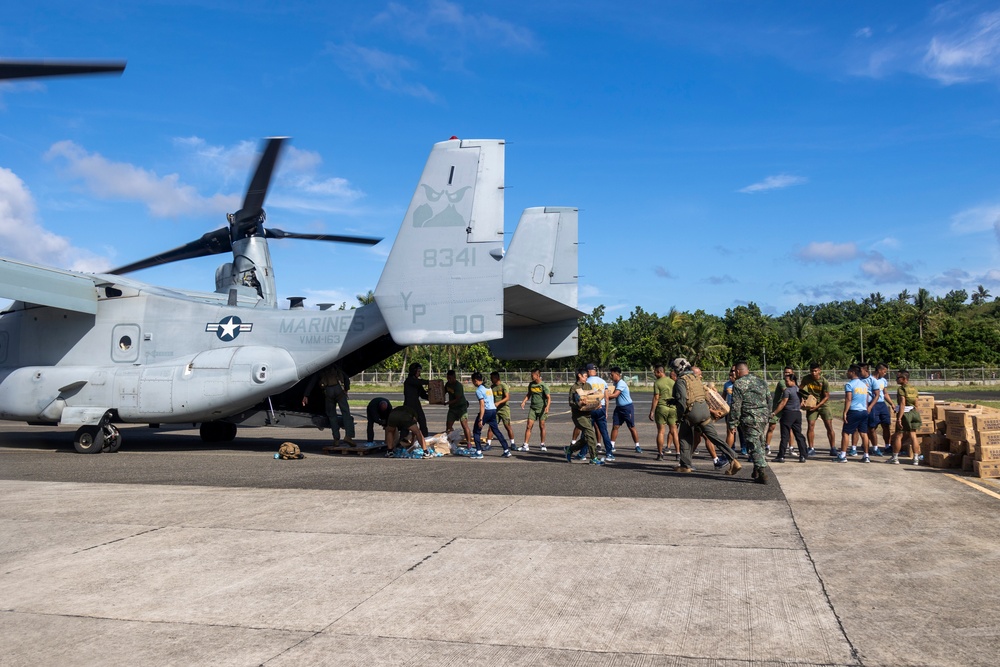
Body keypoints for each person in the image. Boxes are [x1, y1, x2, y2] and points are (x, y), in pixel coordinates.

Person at [670, 357, 742, 476]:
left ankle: (685, 465)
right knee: (714, 438)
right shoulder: (695, 378)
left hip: (692, 413)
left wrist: (679, 417)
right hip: (704, 411)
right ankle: (734, 460)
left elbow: (682, 400)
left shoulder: (681, 380)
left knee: (684, 437)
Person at [727, 361, 771, 483]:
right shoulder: (761, 381)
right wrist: (768, 414)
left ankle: (762, 472)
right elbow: (769, 399)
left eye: (735, 371)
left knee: (754, 444)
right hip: (762, 417)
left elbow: (736, 406)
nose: (734, 374)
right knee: (760, 442)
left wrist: (732, 422)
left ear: (738, 371)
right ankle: (756, 469)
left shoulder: (739, 384)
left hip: (749, 418)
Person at [302, 363, 355, 446]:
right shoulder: (336, 367)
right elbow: (346, 378)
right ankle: (348, 436)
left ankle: (336, 439)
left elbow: (312, 382)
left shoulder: (320, 369)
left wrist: (306, 395)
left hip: (328, 392)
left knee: (332, 416)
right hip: (338, 390)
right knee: (346, 414)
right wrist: (346, 389)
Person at [567, 367, 602, 465]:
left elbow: (591, 398)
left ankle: (570, 449)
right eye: (585, 376)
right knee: (591, 434)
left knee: (587, 438)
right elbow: (571, 402)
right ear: (579, 375)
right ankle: (593, 458)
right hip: (579, 416)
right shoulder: (574, 388)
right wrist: (579, 404)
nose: (587, 378)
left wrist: (596, 404)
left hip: (587, 415)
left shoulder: (588, 385)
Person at [471, 372, 511, 458]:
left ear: (475, 380)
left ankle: (478, 452)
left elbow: (482, 404)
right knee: (496, 431)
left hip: (486, 411)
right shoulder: (488, 387)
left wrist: (481, 418)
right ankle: (506, 450)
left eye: (472, 381)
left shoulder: (479, 390)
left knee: (476, 431)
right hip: (493, 410)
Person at [800, 363, 836, 457]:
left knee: (829, 426)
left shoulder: (824, 381)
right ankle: (811, 448)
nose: (814, 373)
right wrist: (802, 400)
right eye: (812, 371)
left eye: (815, 371)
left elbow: (826, 396)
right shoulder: (806, 378)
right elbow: (799, 389)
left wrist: (817, 406)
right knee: (810, 425)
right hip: (812, 404)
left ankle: (833, 448)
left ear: (819, 371)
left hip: (823, 404)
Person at [771, 373, 808, 463]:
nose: (785, 383)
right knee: (798, 435)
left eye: (787, 381)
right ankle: (803, 455)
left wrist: (775, 412)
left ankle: (781, 456)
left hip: (788, 414)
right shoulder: (799, 390)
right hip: (797, 414)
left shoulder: (787, 391)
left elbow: (783, 403)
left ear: (793, 381)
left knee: (785, 436)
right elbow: (802, 402)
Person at [838, 365, 871, 463]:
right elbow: (866, 399)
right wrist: (865, 409)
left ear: (852, 372)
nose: (847, 373)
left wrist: (845, 412)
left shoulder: (849, 385)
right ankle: (866, 456)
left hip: (853, 411)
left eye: (848, 371)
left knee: (846, 433)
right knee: (864, 433)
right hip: (863, 411)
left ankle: (843, 455)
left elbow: (848, 399)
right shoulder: (863, 385)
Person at [607, 366, 641, 456]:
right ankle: (612, 445)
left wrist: (604, 396)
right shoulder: (615, 384)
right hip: (619, 408)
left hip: (627, 408)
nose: (611, 376)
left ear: (617, 374)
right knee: (615, 426)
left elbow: (615, 395)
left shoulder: (621, 383)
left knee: (631, 426)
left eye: (612, 374)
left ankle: (637, 445)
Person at [890, 369, 921, 465]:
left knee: (899, 435)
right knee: (913, 435)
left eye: (898, 377)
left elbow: (902, 403)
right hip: (913, 412)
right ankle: (916, 458)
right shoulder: (913, 389)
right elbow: (916, 403)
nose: (896, 379)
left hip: (905, 413)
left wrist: (899, 418)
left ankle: (895, 458)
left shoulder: (901, 389)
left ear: (904, 378)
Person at [649, 364, 679, 460]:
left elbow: (656, 397)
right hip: (673, 408)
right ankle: (678, 453)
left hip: (662, 407)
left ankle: (660, 453)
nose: (654, 374)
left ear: (659, 372)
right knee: (674, 431)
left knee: (661, 431)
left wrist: (652, 411)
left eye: (655, 372)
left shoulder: (657, 383)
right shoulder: (673, 382)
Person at [765, 366, 795, 456]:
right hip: (778, 407)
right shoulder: (782, 382)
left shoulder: (793, 382)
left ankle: (791, 448)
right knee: (772, 427)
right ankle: (767, 446)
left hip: (787, 407)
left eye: (789, 373)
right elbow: (786, 390)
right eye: (785, 372)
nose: (787, 374)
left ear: (792, 373)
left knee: (789, 428)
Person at [585, 363, 614, 456]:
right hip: (602, 407)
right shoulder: (602, 381)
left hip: (592, 408)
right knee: (604, 431)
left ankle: (583, 452)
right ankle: (609, 452)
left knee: (588, 431)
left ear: (588, 371)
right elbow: (606, 397)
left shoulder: (587, 381)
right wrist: (606, 411)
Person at [520, 368, 551, 451]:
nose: (531, 376)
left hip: (542, 409)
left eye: (532, 375)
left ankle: (542, 444)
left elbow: (548, 397)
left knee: (542, 426)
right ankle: (525, 444)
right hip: (533, 408)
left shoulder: (543, 385)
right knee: (529, 426)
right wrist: (524, 401)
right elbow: (529, 394)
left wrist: (547, 406)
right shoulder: (531, 385)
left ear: (537, 375)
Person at [867, 363, 894, 456]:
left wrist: (892, 403)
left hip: (882, 404)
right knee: (872, 427)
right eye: (884, 371)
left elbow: (885, 393)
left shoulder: (883, 380)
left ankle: (887, 446)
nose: (885, 373)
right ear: (879, 370)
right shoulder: (869, 380)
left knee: (886, 425)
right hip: (873, 404)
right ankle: (874, 447)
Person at [444, 369, 474, 448]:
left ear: (454, 377)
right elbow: (443, 392)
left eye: (450, 378)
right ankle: (452, 441)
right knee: (448, 426)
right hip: (452, 408)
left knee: (464, 425)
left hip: (461, 407)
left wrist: (447, 402)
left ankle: (469, 443)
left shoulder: (458, 386)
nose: (449, 380)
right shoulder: (447, 384)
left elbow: (457, 399)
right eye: (448, 378)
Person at [488, 371, 517, 449]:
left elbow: (507, 397)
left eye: (492, 378)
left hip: (504, 409)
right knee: (491, 427)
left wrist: (499, 402)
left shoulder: (503, 386)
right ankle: (488, 444)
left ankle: (513, 443)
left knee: (507, 426)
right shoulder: (492, 387)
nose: (491, 379)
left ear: (497, 378)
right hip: (495, 410)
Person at [403, 362, 430, 437]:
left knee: (423, 423)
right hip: (409, 406)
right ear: (413, 371)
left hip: (416, 405)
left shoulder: (417, 382)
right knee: (407, 425)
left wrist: (434, 399)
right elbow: (419, 382)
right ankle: (402, 441)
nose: (419, 373)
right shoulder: (409, 381)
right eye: (418, 371)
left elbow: (423, 395)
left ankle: (425, 440)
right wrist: (430, 382)